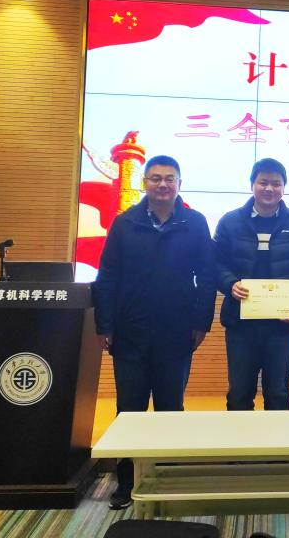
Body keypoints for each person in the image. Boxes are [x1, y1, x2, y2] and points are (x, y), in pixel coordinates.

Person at [93, 154, 218, 509]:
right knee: (128, 409)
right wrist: (104, 325)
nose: (163, 184)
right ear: (144, 183)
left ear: (179, 183)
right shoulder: (124, 223)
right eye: (156, 178)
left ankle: (168, 475)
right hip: (129, 332)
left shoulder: (195, 223)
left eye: (169, 178)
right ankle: (126, 481)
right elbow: (107, 276)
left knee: (170, 408)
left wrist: (201, 323)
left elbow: (207, 276)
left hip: (176, 333)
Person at [214, 158, 289, 411]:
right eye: (263, 182)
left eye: (276, 183)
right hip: (240, 323)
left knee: (278, 392)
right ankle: (239, 437)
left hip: (281, 325)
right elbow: (215, 262)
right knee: (239, 392)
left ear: (284, 187)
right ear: (252, 184)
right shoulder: (230, 221)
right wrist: (230, 284)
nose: (269, 188)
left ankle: (278, 439)